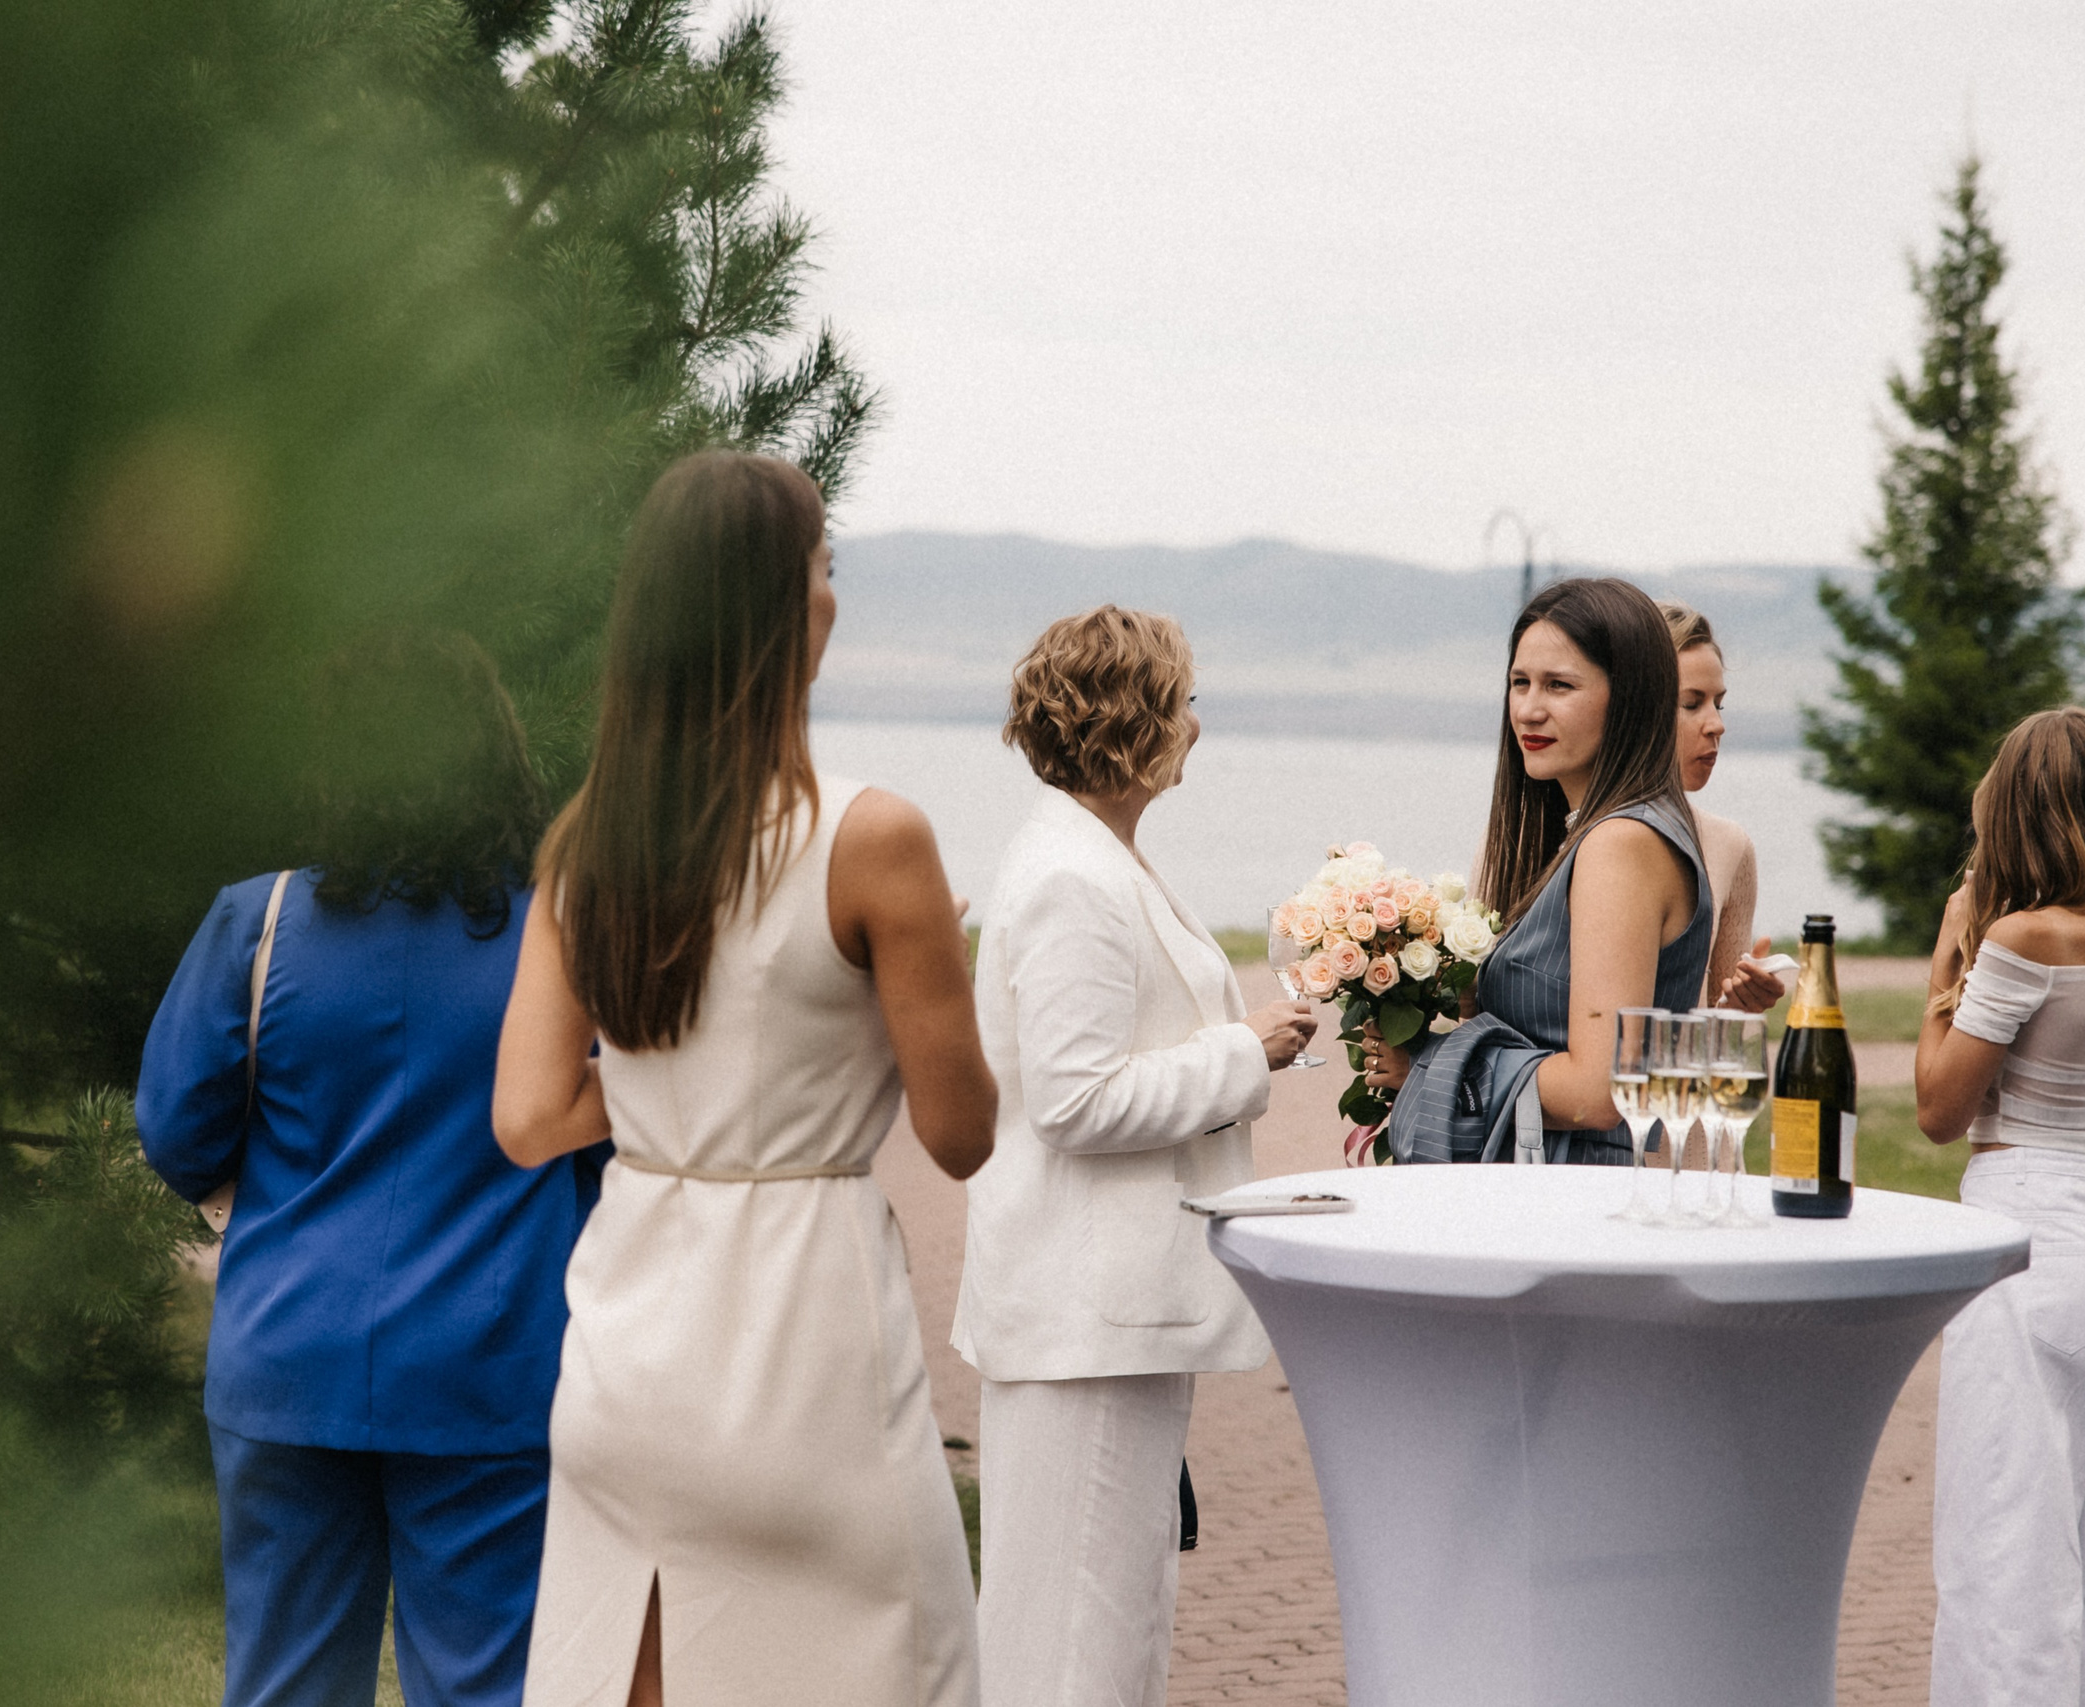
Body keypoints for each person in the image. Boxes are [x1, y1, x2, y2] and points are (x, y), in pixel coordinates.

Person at [494, 450, 996, 1707]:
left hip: (628, 1340)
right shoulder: (873, 839)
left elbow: (528, 1117)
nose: (837, 594)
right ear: (786, 605)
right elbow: (961, 1132)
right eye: (828, 566)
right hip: (801, 1343)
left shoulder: (588, 839)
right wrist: (910, 997)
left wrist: (679, 1085)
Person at [139, 628, 596, 1707]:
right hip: (496, 1365)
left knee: (284, 1687)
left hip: (287, 1356)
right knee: (488, 1686)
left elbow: (175, 1135)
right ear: (499, 753)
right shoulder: (563, 933)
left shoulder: (258, 922)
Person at [949, 607, 1318, 1707]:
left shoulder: (1098, 856)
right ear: (1137, 719)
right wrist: (1244, 1051)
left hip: (1104, 1312)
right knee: (1076, 1639)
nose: (1197, 726)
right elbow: (1075, 1101)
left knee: (1107, 1621)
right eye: (1185, 702)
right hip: (1083, 1317)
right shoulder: (1072, 878)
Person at [1916, 706, 2085, 1707]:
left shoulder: (2018, 941)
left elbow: (1940, 1109)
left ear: (2011, 811)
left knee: (2002, 1551)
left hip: (2021, 1230)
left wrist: (1950, 953)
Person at [1363, 577, 1710, 1162]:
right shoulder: (1599, 830)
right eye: (1519, 683)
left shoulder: (1620, 842)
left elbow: (1599, 1093)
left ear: (1629, 699)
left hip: (1575, 1198)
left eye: (1559, 685)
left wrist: (1426, 1061)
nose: (1529, 708)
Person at [1658, 599, 1784, 1013]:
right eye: (1691, 703)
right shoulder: (1529, 834)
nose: (1717, 724)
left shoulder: (1728, 846)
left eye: (1719, 703)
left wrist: (1740, 1005)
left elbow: (1712, 1028)